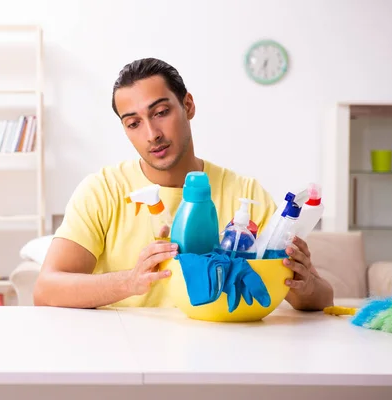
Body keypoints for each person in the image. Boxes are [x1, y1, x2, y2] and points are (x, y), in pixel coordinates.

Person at [33, 57, 334, 311]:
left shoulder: (246, 194)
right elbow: (46, 290)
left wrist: (306, 285)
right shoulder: (103, 190)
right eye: (134, 123)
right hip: (125, 354)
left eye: (161, 113)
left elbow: (320, 299)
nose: (152, 134)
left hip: (220, 354)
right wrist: (131, 281)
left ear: (188, 105)